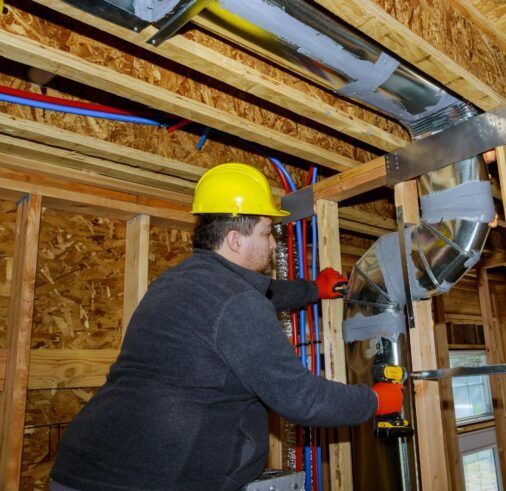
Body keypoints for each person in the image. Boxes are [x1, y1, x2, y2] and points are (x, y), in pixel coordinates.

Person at [50, 163, 404, 490]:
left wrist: (314, 290)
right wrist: (373, 400)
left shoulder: (178, 281)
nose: (272, 242)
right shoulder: (238, 304)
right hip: (149, 480)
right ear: (235, 239)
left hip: (85, 467)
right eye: (267, 233)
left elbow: (259, 294)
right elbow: (302, 399)